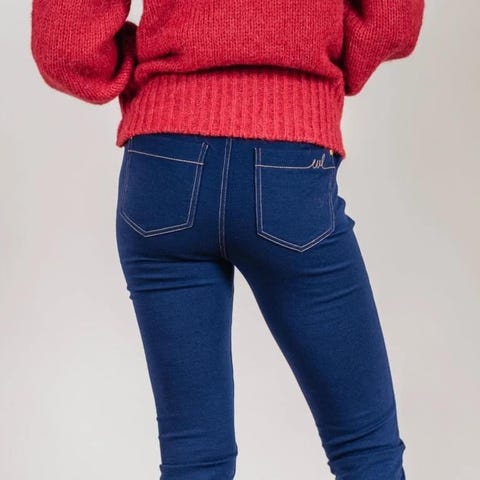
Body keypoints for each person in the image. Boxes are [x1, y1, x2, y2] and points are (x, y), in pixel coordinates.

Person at [30, 1, 425, 479]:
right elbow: (392, 21)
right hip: (288, 163)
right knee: (367, 452)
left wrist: (160, 71)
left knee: (195, 459)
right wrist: (313, 52)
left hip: (163, 162)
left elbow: (65, 44)